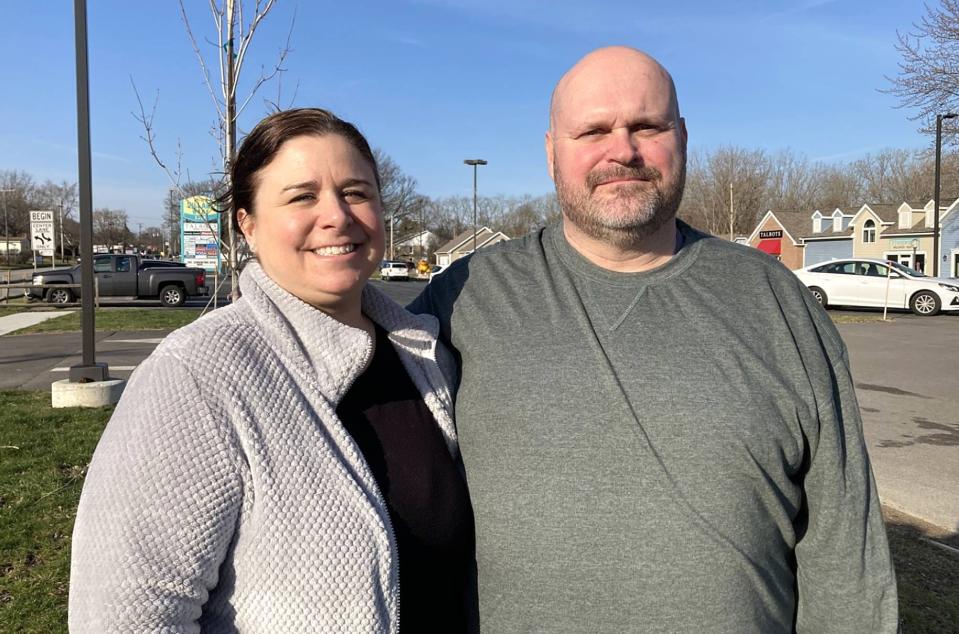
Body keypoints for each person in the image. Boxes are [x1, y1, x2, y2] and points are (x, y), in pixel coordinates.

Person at [410, 47, 898, 632]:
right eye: (592, 130)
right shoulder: (466, 297)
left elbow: (845, 547)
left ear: (683, 137)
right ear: (550, 153)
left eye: (647, 126)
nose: (623, 150)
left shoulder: (776, 302)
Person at [70, 108, 476, 633]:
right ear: (249, 224)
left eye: (356, 192)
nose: (337, 216)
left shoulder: (424, 356)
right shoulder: (195, 377)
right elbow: (125, 618)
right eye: (302, 196)